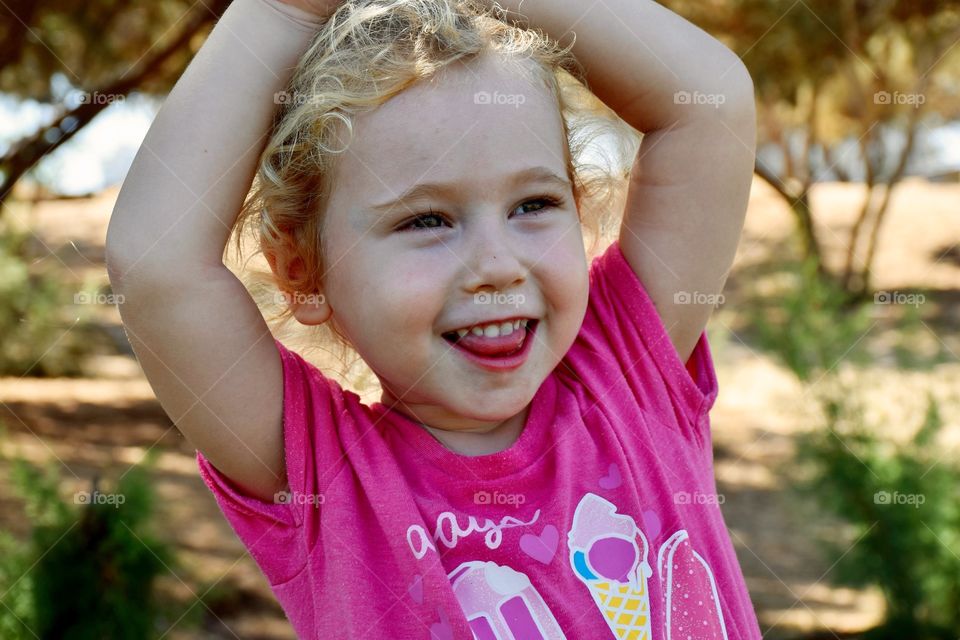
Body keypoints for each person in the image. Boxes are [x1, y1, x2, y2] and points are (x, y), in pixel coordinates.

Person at [106, 0, 758, 636]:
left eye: (533, 204)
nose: (497, 265)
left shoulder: (626, 368)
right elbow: (158, 269)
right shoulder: (325, 480)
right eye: (427, 220)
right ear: (301, 267)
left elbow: (710, 106)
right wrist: (284, 10)